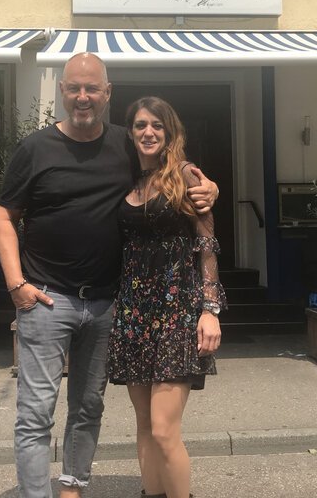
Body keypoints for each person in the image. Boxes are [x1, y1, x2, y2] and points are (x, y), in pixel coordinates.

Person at [0, 53, 218, 498]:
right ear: (62, 91)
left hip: (107, 304)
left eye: (92, 88)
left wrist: (208, 186)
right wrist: (17, 284)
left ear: (107, 93)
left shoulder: (126, 144)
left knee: (89, 407)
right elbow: (3, 215)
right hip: (48, 299)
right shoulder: (35, 148)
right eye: (74, 88)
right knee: (36, 414)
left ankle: (72, 488)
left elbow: (175, 172)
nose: (83, 97)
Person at [107, 96, 226, 498]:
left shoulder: (186, 176)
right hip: (133, 312)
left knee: (163, 428)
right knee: (144, 426)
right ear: (130, 132)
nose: (148, 132)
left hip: (178, 311)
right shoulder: (127, 180)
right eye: (140, 125)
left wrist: (210, 310)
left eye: (157, 125)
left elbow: (206, 245)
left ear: (170, 132)